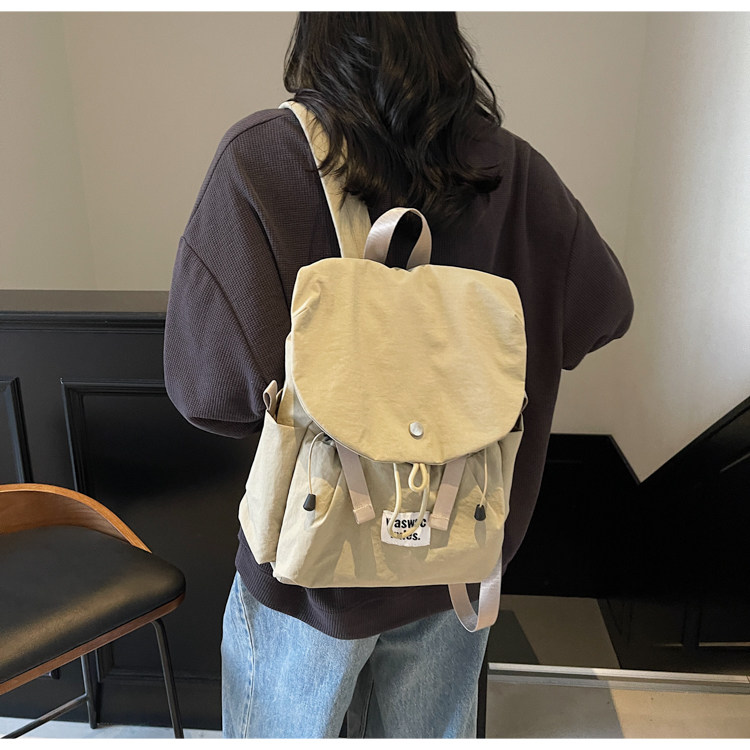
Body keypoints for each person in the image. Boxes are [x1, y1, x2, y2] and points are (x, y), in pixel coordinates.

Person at [163, 11, 634, 739]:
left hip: (311, 564)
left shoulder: (263, 160)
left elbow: (208, 390)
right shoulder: (515, 172)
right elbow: (603, 313)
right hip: (458, 556)